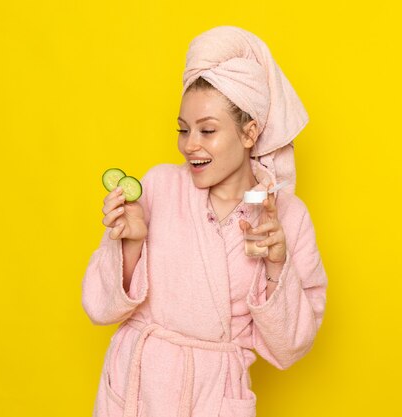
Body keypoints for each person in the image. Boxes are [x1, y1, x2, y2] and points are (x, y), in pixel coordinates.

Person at [82, 26, 328, 417]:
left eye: (207, 131)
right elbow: (98, 307)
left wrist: (276, 266)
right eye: (183, 130)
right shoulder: (158, 186)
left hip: (215, 398)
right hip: (138, 387)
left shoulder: (287, 217)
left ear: (249, 133)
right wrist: (130, 244)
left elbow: (291, 347)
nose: (189, 144)